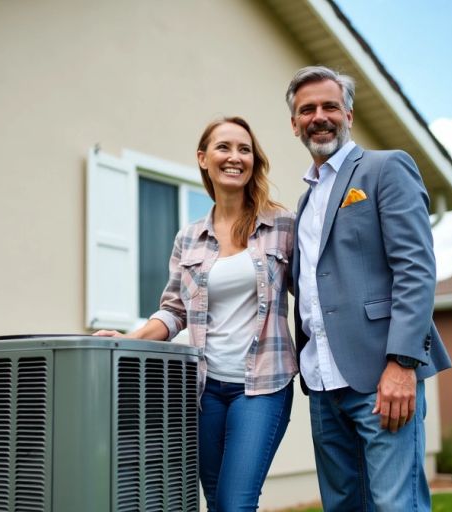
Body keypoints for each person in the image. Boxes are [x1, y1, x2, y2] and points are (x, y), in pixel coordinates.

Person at [95, 116, 298, 511]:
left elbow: (313, 293)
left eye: (244, 149)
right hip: (206, 390)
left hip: (262, 386)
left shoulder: (282, 225)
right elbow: (173, 312)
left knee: (236, 504)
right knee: (216, 502)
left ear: (254, 161)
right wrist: (128, 339)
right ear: (203, 158)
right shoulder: (189, 237)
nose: (235, 157)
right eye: (224, 147)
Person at [286, 65, 452, 511]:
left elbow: (415, 269)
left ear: (349, 115)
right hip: (322, 384)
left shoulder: (385, 168)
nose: (319, 116)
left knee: (396, 505)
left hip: (382, 379)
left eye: (329, 106)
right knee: (342, 505)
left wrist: (402, 364)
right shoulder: (305, 200)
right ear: (295, 123)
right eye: (307, 110)